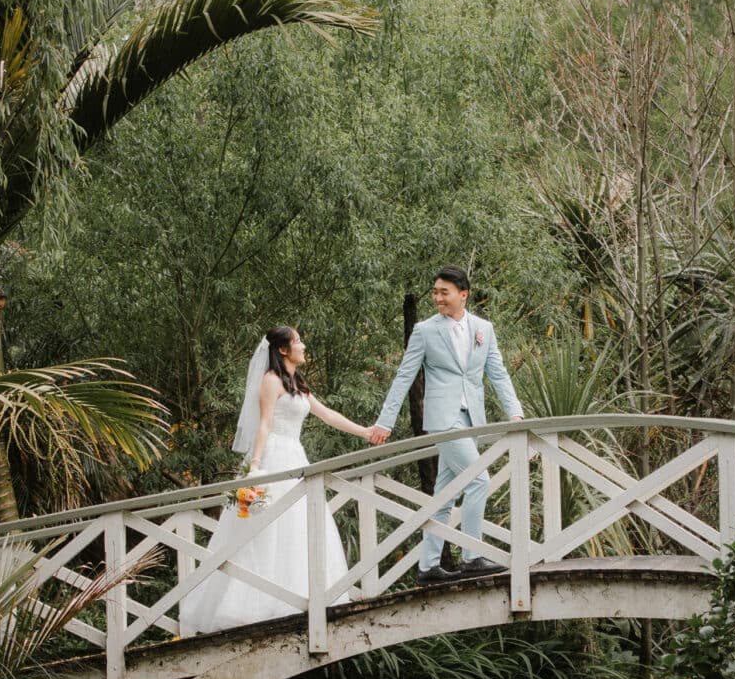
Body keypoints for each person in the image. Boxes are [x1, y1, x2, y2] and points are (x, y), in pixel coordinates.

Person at [180, 326, 377, 636]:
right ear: (283, 349)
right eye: (298, 341)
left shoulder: (297, 383)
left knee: (297, 529)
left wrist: (365, 431)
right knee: (266, 532)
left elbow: (327, 415)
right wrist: (255, 468)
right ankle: (257, 605)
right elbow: (265, 424)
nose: (303, 345)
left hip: (295, 457)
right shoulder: (271, 381)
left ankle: (299, 599)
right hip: (274, 456)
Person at [369, 267, 524, 584]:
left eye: (444, 292)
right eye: (435, 291)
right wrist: (385, 421)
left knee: (445, 494)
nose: (437, 297)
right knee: (479, 479)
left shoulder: (484, 328)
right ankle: (471, 556)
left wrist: (515, 413)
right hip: (443, 418)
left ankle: (428, 566)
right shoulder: (425, 331)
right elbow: (404, 377)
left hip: (472, 419)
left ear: (463, 294)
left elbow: (498, 373)